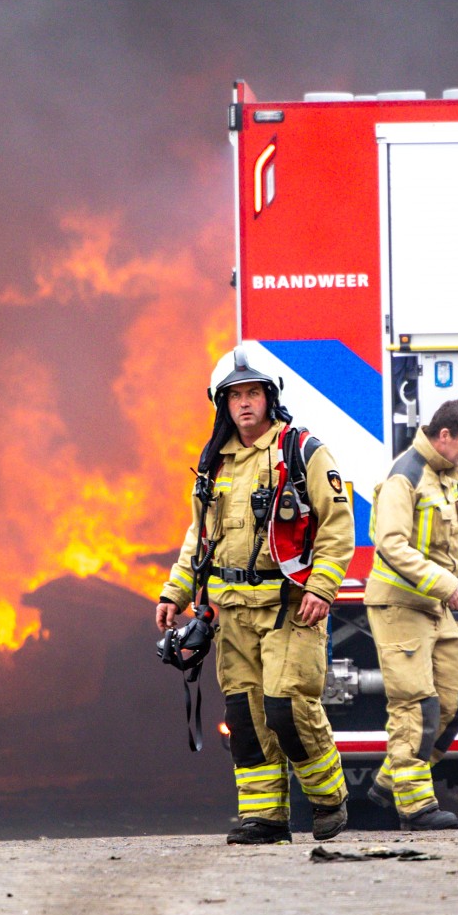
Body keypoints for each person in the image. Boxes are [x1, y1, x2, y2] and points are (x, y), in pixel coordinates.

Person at [157, 346, 356, 845]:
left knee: (287, 707)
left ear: (270, 398)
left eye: (253, 393)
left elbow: (337, 528)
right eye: (235, 396)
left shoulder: (303, 451)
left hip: (290, 609)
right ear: (222, 405)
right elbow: (199, 536)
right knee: (245, 717)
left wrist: (323, 588)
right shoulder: (213, 463)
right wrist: (176, 591)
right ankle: (264, 818)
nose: (245, 404)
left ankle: (328, 798)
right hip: (234, 616)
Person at [362, 399, 458, 829]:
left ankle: (389, 784)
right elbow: (392, 545)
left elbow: (447, 538)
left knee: (454, 701)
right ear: (444, 436)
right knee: (416, 705)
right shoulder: (404, 477)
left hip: (434, 606)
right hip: (401, 606)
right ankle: (416, 807)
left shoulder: (442, 477)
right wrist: (448, 584)